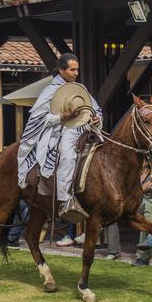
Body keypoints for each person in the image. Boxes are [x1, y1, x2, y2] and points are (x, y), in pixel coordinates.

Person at [17, 53, 102, 223]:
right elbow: (38, 119)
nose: (76, 73)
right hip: (61, 130)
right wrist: (60, 117)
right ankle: (65, 199)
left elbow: (95, 109)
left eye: (77, 69)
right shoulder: (50, 90)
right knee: (68, 155)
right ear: (62, 70)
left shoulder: (80, 89)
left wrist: (96, 118)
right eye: (72, 69)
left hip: (85, 129)